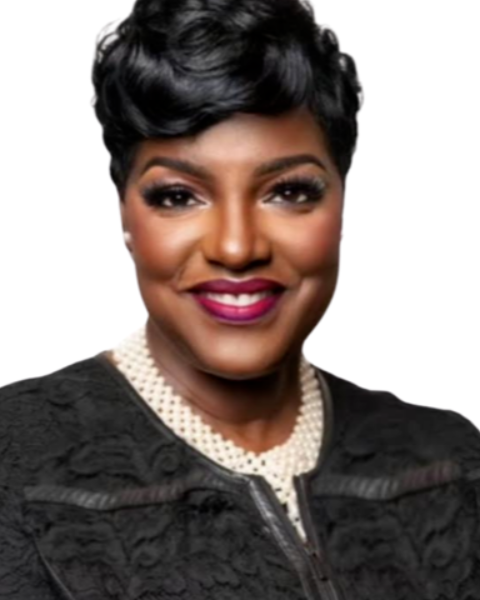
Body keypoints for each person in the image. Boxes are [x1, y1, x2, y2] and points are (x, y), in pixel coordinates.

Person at [1, 0, 479, 599]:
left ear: (342, 202)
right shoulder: (15, 463)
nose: (236, 247)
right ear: (125, 214)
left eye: (289, 192)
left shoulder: (448, 462)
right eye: (178, 196)